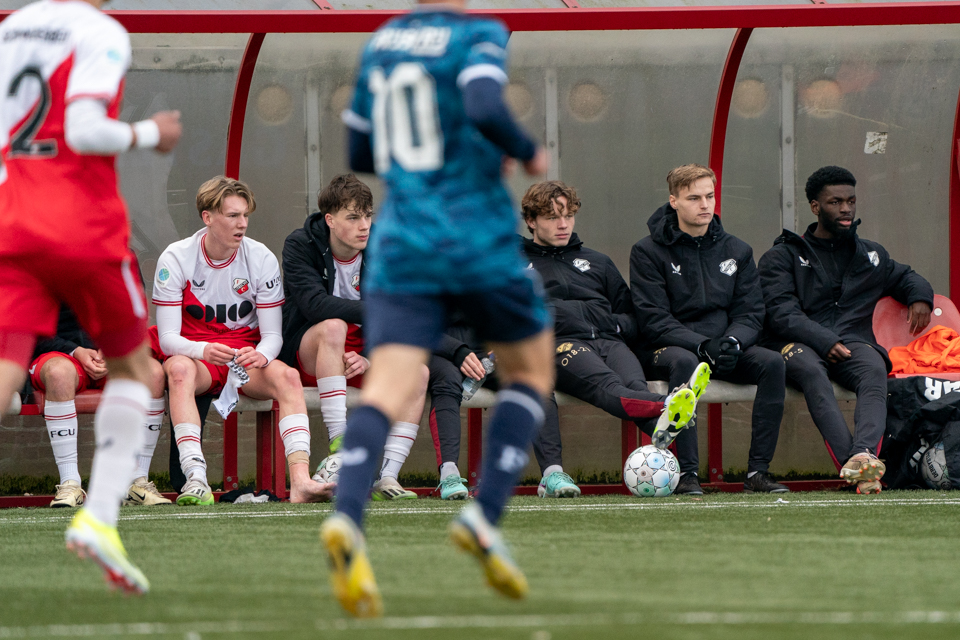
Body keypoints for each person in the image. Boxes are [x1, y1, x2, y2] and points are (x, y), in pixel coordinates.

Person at [321, 0, 554, 617]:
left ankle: (347, 516)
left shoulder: (383, 41)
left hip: (404, 241)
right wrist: (524, 150)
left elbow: (361, 150)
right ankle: (484, 514)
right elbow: (484, 104)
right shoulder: (477, 34)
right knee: (532, 372)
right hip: (474, 236)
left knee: (387, 388)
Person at [0, 0, 181, 593]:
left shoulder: (12, 29)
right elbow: (82, 128)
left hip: (14, 217)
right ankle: (101, 515)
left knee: (5, 368)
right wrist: (151, 133)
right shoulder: (97, 30)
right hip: (82, 223)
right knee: (136, 367)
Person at [151, 176, 334, 506]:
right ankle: (195, 478)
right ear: (207, 217)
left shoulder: (261, 257)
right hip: (198, 356)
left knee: (288, 377)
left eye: (245, 215)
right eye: (232, 215)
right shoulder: (176, 258)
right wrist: (203, 350)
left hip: (245, 358)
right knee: (178, 369)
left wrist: (262, 355)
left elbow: (273, 336)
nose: (242, 224)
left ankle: (301, 482)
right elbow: (167, 340)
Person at [758, 165, 933, 494]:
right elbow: (781, 314)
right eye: (835, 202)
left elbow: (906, 276)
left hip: (852, 343)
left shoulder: (870, 254)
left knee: (874, 368)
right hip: (794, 343)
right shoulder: (782, 256)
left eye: (850, 201)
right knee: (811, 370)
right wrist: (825, 340)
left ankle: (863, 455)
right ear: (815, 207)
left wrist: (920, 296)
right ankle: (857, 468)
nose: (846, 209)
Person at [519, 180, 707, 469]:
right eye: (552, 217)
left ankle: (663, 433)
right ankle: (667, 404)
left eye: (568, 216)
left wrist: (615, 327)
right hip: (560, 344)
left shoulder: (598, 262)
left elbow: (631, 315)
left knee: (634, 385)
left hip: (609, 341)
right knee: (608, 387)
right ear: (531, 221)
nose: (563, 224)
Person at [631, 164, 789, 495]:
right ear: (673, 201)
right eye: (694, 198)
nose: (705, 205)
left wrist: (732, 342)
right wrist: (703, 345)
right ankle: (688, 474)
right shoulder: (647, 251)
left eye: (710, 196)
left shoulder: (738, 250)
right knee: (685, 362)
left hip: (722, 346)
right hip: (669, 349)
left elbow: (751, 312)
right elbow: (654, 319)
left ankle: (757, 472)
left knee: (772, 363)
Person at [280, 174, 428, 501]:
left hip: (362, 352)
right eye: (353, 217)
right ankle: (340, 443)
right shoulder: (301, 243)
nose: (364, 226)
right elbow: (314, 305)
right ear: (330, 220)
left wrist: (370, 358)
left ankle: (387, 477)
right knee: (334, 327)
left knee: (418, 374)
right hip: (311, 350)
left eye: (368, 216)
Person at [30, 306, 170, 508]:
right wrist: (76, 351)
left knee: (153, 374)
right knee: (58, 373)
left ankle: (137, 481)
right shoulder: (44, 282)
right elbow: (29, 328)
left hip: (110, 354)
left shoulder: (119, 281)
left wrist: (113, 345)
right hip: (57, 353)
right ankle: (70, 482)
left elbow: (134, 314)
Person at [427, 320, 568, 499]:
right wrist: (456, 350)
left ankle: (552, 473)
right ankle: (449, 474)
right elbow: (416, 321)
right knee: (446, 379)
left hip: (484, 352)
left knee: (532, 382)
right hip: (440, 351)